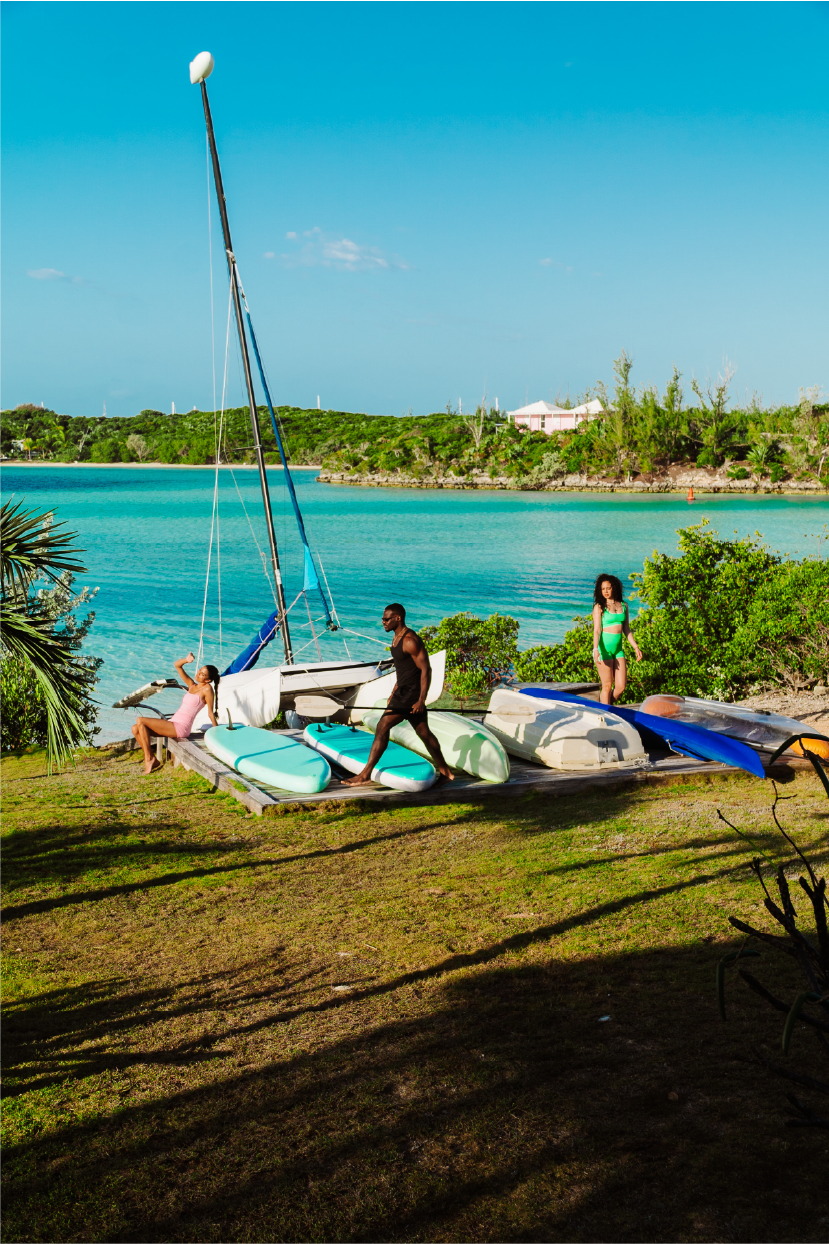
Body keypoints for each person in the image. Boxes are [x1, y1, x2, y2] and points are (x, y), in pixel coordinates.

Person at [343, 603, 454, 787]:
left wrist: (421, 700)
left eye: (386, 619)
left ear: (398, 618)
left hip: (411, 695)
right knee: (424, 733)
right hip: (402, 692)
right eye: (382, 619)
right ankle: (446, 772)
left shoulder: (410, 640)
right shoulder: (396, 639)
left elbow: (426, 670)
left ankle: (365, 774)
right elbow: (404, 670)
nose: (383, 622)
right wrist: (394, 691)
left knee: (382, 726)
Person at [132, 653, 219, 775]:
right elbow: (177, 666)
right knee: (135, 728)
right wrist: (187, 660)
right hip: (173, 723)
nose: (199, 674)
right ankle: (151, 758)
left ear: (208, 680)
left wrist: (217, 732)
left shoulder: (207, 690)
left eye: (203, 674)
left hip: (181, 727)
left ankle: (149, 759)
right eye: (200, 670)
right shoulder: (192, 686)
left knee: (141, 720)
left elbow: (210, 712)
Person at [592, 574, 642, 705]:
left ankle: (604, 707)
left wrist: (635, 647)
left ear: (614, 588)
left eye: (608, 588)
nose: (606, 591)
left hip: (618, 650)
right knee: (607, 686)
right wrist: (595, 649)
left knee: (621, 687)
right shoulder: (599, 607)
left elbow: (627, 629)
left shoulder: (623, 606)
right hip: (604, 649)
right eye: (603, 589)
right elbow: (597, 630)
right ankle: (605, 712)